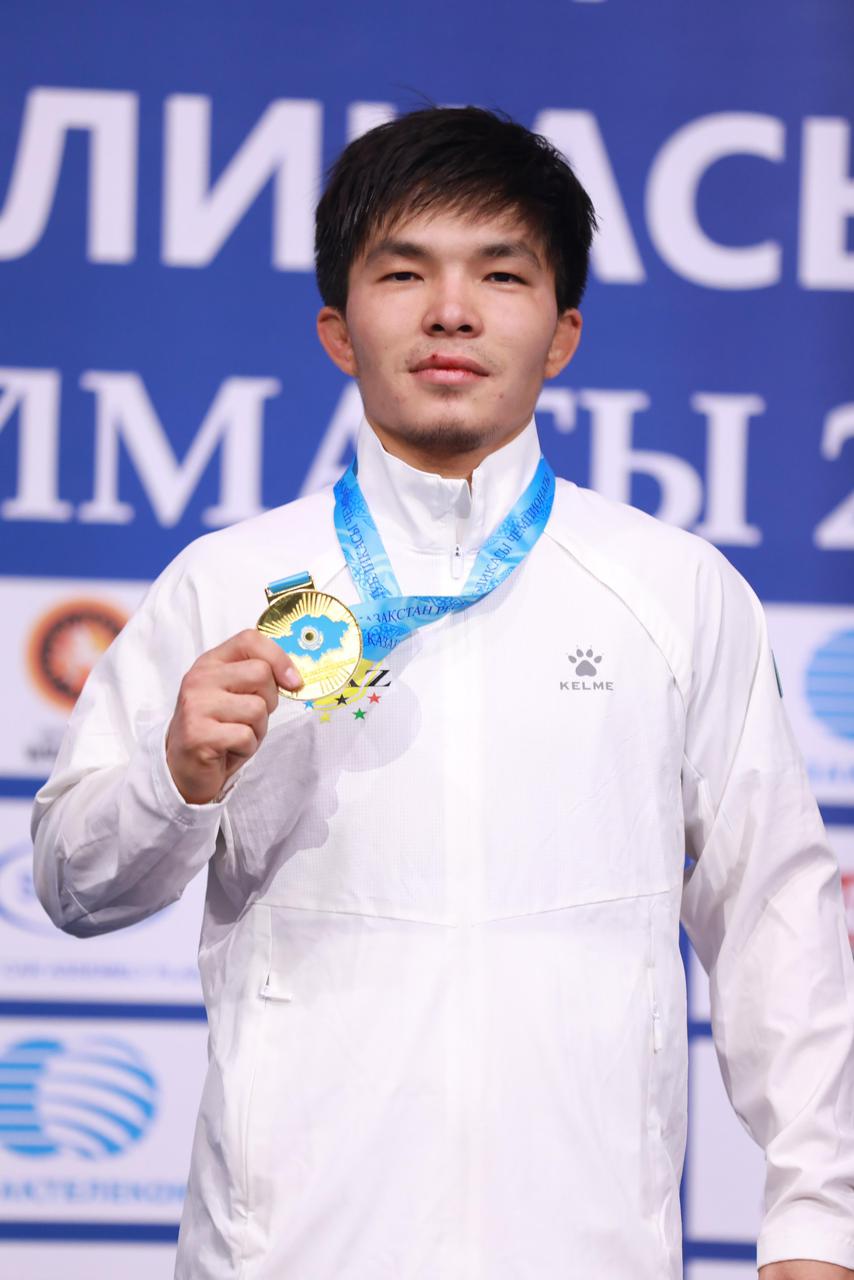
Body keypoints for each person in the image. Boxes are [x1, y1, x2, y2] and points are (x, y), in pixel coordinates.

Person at [32, 107, 854, 1280]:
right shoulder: (225, 581)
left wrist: (817, 1224)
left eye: (500, 274)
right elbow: (72, 886)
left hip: (586, 1251)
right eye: (403, 271)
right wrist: (173, 780)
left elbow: (775, 917)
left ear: (561, 333)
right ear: (337, 327)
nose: (451, 311)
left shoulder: (673, 588)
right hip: (283, 1256)